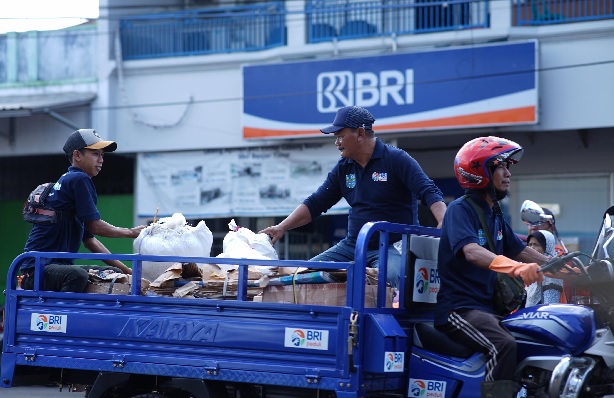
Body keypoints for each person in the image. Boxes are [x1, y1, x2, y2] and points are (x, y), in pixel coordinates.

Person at [259, 106, 446, 288]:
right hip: (353, 245)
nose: (337, 142)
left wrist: (443, 220)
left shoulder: (396, 159)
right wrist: (281, 227)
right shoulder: (344, 167)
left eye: (340, 136)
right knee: (305, 275)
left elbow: (428, 190)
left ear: (359, 133)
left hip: (393, 245)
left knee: (389, 279)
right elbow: (316, 202)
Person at [434, 136, 549, 398]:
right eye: (500, 167)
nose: (508, 174)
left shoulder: (494, 212)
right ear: (479, 172)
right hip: (459, 308)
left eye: (508, 167)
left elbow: (520, 250)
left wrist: (567, 268)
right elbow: (472, 252)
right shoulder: (459, 210)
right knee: (503, 345)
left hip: (489, 308)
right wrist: (517, 269)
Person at [20, 129, 146, 293]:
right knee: (76, 276)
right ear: (77, 155)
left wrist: (126, 270)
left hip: (49, 269)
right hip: (38, 270)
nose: (101, 160)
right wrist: (131, 232)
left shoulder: (69, 182)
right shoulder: (79, 179)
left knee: (113, 273)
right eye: (95, 154)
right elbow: (96, 227)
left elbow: (90, 241)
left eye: (102, 155)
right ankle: (62, 316)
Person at [525, 230, 564, 307]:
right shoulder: (532, 270)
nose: (531, 248)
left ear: (547, 247)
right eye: (530, 245)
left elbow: (549, 308)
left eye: (536, 245)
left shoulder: (552, 275)